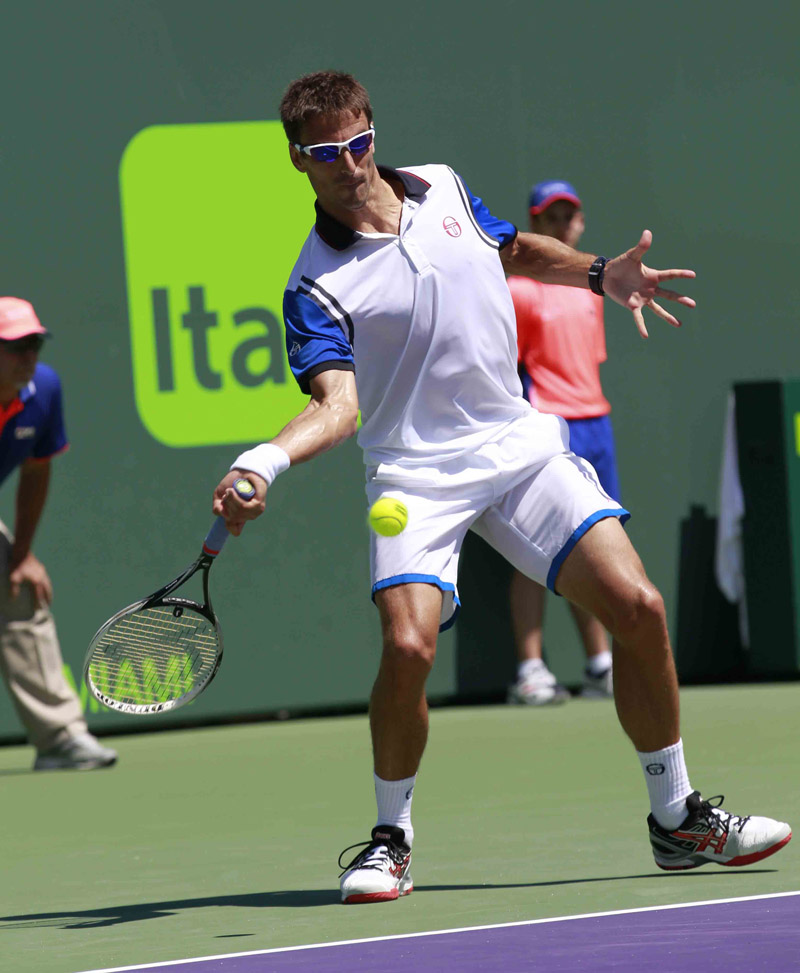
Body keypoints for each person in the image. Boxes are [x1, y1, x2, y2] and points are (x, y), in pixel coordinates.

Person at [212, 72, 791, 903]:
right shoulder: (315, 285)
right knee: (408, 647)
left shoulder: (443, 186)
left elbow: (512, 248)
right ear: (298, 161)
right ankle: (390, 840)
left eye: (359, 143)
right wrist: (263, 460)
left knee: (639, 606)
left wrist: (600, 273)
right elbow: (337, 406)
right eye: (326, 153)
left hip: (517, 447)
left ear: (374, 132)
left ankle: (677, 816)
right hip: (414, 474)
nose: (349, 164)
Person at [507, 180, 617, 706]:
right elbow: (509, 368)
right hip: (546, 427)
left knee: (594, 549)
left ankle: (599, 664)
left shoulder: (591, 289)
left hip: (596, 424)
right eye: (550, 217)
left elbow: (588, 362)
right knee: (532, 551)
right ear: (534, 224)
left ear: (581, 222)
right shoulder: (520, 289)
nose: (562, 225)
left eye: (569, 216)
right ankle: (531, 670)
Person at [0, 297, 117, 771]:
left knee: (18, 589)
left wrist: (21, 554)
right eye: (16, 347)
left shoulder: (43, 390)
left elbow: (36, 470)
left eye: (35, 345)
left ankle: (60, 738)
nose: (28, 357)